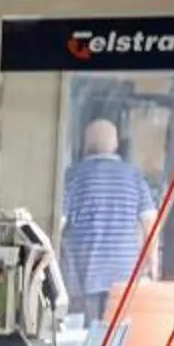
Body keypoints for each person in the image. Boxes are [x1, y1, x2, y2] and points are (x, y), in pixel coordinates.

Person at [58, 117, 159, 306]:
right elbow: (150, 225)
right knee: (117, 332)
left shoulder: (73, 177)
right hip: (125, 279)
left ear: (86, 145)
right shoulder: (134, 177)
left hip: (82, 278)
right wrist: (152, 267)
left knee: (85, 333)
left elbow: (57, 225)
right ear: (116, 145)